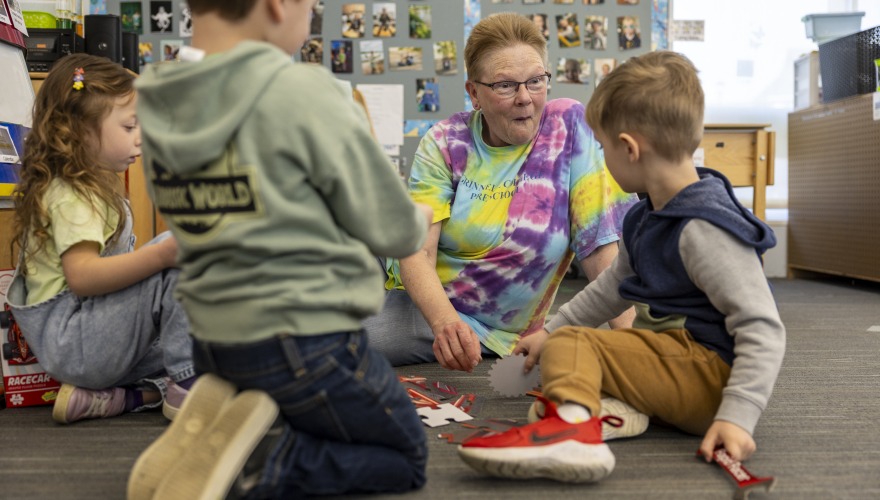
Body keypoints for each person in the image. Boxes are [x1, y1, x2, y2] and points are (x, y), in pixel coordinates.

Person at [126, 0, 433, 498]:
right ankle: (253, 467)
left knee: (317, 419)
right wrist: (416, 217)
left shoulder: (159, 96)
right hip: (304, 337)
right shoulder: (301, 91)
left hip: (212, 338)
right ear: (279, 5)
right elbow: (392, 231)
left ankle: (206, 445)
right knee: (405, 456)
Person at [458, 51, 786, 484]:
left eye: (604, 147)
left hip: (710, 381)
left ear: (629, 149)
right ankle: (595, 413)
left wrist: (738, 417)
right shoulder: (648, 213)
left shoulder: (704, 228)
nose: (602, 159)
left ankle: (571, 435)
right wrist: (548, 331)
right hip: (677, 366)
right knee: (565, 352)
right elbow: (614, 285)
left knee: (574, 348)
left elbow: (763, 328)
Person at [364, 12, 638, 373]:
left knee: (330, 343)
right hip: (420, 296)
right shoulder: (445, 141)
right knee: (303, 317)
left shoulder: (569, 127)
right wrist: (445, 324)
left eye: (536, 81)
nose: (525, 98)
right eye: (505, 85)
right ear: (474, 92)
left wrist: (632, 347)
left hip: (494, 329)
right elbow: (418, 250)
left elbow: (598, 244)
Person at [5, 54, 196, 425]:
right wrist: (162, 257)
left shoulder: (84, 187)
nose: (140, 137)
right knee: (170, 252)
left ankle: (123, 398)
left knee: (206, 330)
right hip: (76, 341)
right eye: (129, 127)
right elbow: (84, 276)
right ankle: (187, 388)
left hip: (80, 348)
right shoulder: (72, 195)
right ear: (78, 131)